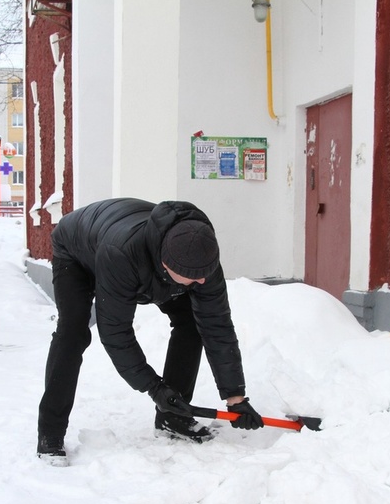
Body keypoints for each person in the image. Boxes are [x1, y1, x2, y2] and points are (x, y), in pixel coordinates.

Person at [36, 197, 264, 464]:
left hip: (133, 245)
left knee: (192, 323)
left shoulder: (200, 257)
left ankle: (174, 417)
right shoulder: (121, 254)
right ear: (167, 266)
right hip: (78, 249)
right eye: (194, 277)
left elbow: (217, 325)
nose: (202, 281)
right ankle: (50, 432)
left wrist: (235, 396)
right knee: (73, 332)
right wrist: (155, 388)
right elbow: (115, 332)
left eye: (205, 274)